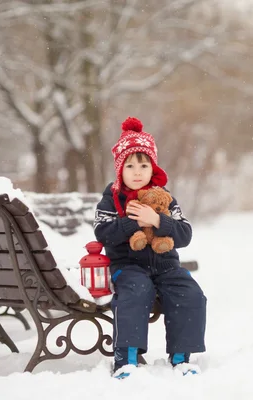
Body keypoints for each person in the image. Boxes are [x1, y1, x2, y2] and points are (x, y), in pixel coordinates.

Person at [93, 117, 207, 379]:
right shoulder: (111, 199)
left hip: (166, 266)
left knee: (189, 293)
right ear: (119, 169)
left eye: (143, 165)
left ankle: (181, 356)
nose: (136, 171)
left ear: (152, 167)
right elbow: (103, 232)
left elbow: (185, 233)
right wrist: (129, 223)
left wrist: (157, 220)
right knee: (135, 292)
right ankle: (127, 358)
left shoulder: (165, 198)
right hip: (128, 266)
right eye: (129, 165)